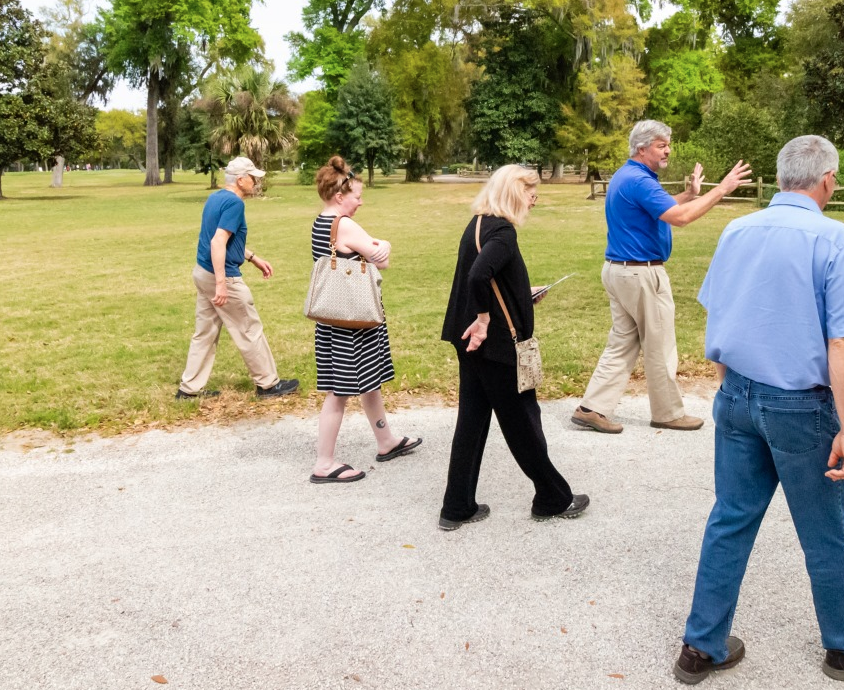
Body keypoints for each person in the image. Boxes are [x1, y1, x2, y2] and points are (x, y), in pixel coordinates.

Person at [673, 136, 844, 685]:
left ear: (779, 179)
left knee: (730, 520)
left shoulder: (737, 229)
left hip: (739, 395)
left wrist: (727, 382)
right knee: (825, 531)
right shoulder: (836, 239)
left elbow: (717, 310)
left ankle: (701, 647)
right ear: (827, 179)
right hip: (800, 405)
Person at [571, 120, 752, 434]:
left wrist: (689, 193)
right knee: (660, 345)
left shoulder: (628, 176)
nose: (668, 150)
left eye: (668, 144)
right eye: (661, 145)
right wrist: (722, 190)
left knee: (623, 343)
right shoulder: (640, 181)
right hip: (642, 274)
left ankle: (591, 408)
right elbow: (679, 218)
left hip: (619, 270)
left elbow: (664, 207)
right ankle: (667, 413)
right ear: (642, 148)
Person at [439, 165, 589, 530]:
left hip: (467, 341)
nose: (534, 197)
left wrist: (522, 293)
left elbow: (488, 278)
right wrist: (485, 318)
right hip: (494, 345)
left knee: (472, 422)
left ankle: (457, 505)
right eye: (528, 190)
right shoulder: (503, 231)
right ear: (510, 192)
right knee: (522, 419)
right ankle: (553, 497)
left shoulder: (477, 224)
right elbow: (478, 275)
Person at [308, 157, 422, 484]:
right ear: (339, 195)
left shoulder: (321, 221)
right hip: (353, 320)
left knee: (368, 382)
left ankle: (386, 441)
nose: (360, 201)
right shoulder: (344, 224)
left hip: (335, 318)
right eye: (357, 195)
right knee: (339, 392)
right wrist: (384, 242)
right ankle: (324, 463)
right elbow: (380, 259)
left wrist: (376, 245)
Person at [177, 156, 299, 400]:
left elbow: (224, 240)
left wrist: (253, 258)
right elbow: (218, 242)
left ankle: (188, 390)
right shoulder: (235, 204)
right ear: (240, 179)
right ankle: (268, 384)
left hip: (202, 273)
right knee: (248, 328)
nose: (255, 182)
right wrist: (222, 283)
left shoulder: (215, 198)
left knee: (205, 332)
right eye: (252, 177)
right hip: (221, 277)